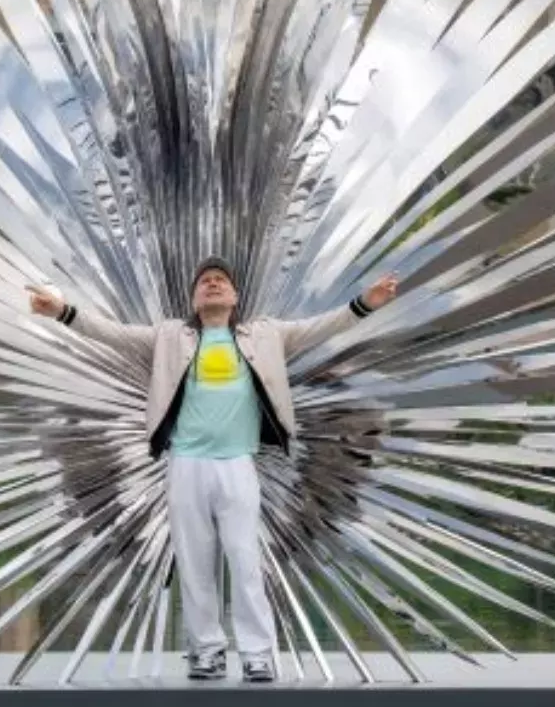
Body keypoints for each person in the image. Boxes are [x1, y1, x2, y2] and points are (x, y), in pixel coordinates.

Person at [29, 259, 396, 683]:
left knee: (244, 558)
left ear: (236, 297)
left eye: (221, 280)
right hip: (185, 464)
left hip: (238, 463)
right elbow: (112, 334)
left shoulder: (266, 334)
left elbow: (325, 325)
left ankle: (257, 653)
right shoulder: (169, 336)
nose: (213, 284)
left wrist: (367, 302)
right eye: (205, 281)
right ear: (194, 298)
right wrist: (61, 311)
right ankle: (206, 651)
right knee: (194, 562)